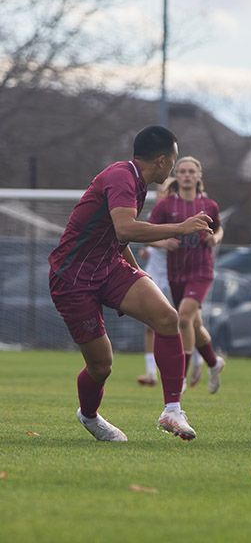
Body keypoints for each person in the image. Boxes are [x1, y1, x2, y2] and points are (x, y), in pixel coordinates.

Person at [48, 125, 213, 441]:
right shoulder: (122, 177)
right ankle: (89, 416)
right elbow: (125, 229)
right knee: (101, 366)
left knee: (167, 318)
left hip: (109, 268)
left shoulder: (137, 182)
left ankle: (172, 412)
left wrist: (138, 273)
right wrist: (180, 228)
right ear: (162, 160)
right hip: (72, 278)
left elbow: (116, 235)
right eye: (175, 161)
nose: (175, 170)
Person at [148, 156, 226, 394]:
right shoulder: (165, 206)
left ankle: (180, 377)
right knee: (194, 323)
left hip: (201, 270)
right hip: (176, 272)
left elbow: (219, 228)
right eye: (182, 171)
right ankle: (214, 363)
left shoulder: (209, 205)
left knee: (183, 318)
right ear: (177, 175)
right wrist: (163, 244)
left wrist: (215, 238)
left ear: (198, 175)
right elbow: (148, 233)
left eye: (191, 171)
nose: (187, 175)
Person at [136, 178, 178, 387]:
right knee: (150, 324)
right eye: (159, 190)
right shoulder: (155, 216)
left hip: (176, 276)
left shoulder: (179, 214)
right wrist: (150, 250)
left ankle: (197, 363)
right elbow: (145, 237)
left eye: (164, 190)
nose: (160, 194)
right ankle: (151, 372)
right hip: (154, 275)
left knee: (184, 322)